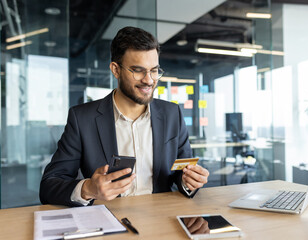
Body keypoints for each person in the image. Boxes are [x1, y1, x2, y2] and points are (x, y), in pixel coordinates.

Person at [39, 26, 209, 207]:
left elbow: (181, 173)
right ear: (115, 69)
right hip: (110, 221)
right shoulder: (82, 118)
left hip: (161, 219)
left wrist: (190, 181)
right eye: (138, 70)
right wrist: (88, 189)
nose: (149, 80)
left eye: (154, 70)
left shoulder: (172, 114)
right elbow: (49, 185)